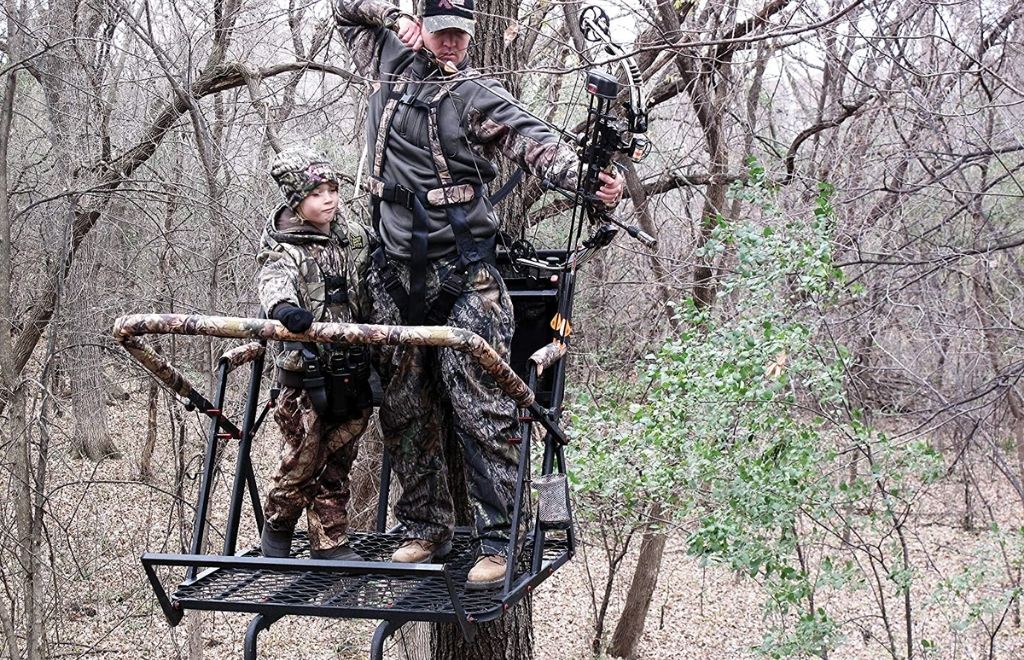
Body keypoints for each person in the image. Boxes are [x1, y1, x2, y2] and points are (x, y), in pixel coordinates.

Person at [334, 0, 624, 588]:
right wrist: (393, 15)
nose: (450, 46)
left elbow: (534, 141)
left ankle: (504, 540)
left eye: (460, 36)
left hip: (466, 275)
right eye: (441, 33)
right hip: (393, 273)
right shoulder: (386, 57)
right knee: (405, 406)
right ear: (422, 28)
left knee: (484, 409)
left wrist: (590, 178)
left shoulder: (474, 94)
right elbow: (344, 9)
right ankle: (424, 527)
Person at [256, 148, 375, 561]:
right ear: (296, 200)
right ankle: (278, 525)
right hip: (306, 375)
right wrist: (285, 309)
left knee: (340, 461)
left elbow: (376, 267)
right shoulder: (283, 243)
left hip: (354, 368)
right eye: (317, 192)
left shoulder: (354, 236)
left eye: (333, 189)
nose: (329, 198)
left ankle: (330, 542)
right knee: (302, 460)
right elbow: (273, 278)